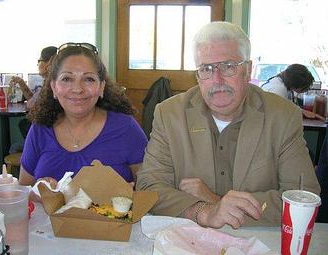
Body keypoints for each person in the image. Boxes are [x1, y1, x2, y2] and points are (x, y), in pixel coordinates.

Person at [136, 21, 320, 229]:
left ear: (247, 70)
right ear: (198, 76)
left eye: (228, 66)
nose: (217, 79)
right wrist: (203, 211)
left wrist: (215, 200)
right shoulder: (169, 114)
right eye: (206, 68)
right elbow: (148, 187)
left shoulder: (283, 117)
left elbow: (303, 198)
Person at [18, 43, 147, 191]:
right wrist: (36, 192)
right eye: (67, 79)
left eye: (89, 79)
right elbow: (24, 188)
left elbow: (147, 188)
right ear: (53, 87)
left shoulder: (126, 128)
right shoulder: (40, 129)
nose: (78, 89)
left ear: (101, 87)